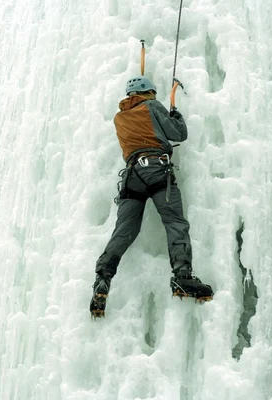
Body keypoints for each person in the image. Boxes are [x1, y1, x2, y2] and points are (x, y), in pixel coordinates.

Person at [90, 76, 213, 317]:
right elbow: (178, 134)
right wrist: (175, 114)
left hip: (131, 176)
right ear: (148, 92)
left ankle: (102, 277)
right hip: (156, 168)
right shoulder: (153, 107)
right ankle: (182, 277)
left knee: (124, 231)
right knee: (175, 221)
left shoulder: (120, 118)